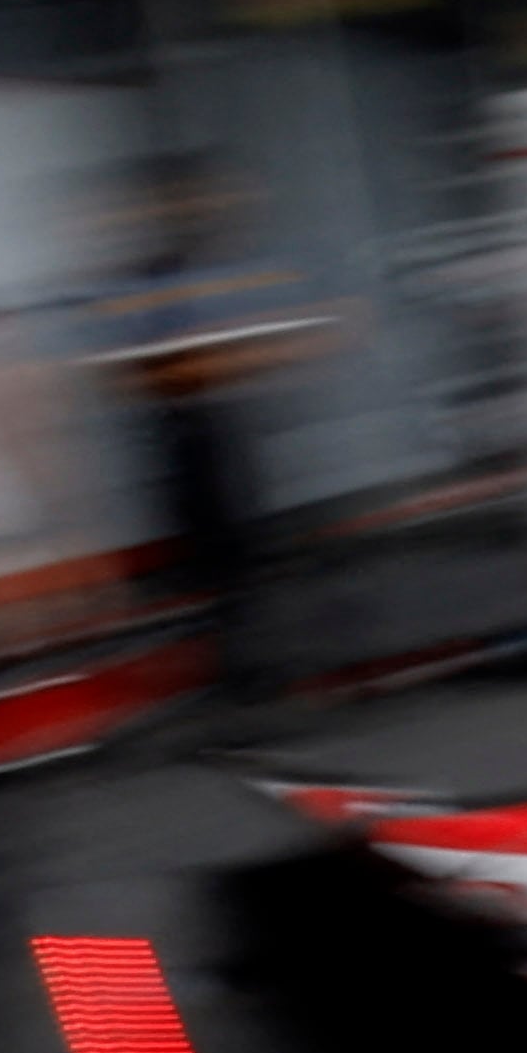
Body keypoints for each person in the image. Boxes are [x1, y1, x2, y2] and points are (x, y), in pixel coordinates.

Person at [68, 154, 333, 706]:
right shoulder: (153, 277)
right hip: (190, 435)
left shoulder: (199, 268)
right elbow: (142, 361)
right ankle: (239, 666)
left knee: (242, 548)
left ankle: (252, 659)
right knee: (220, 551)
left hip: (216, 430)